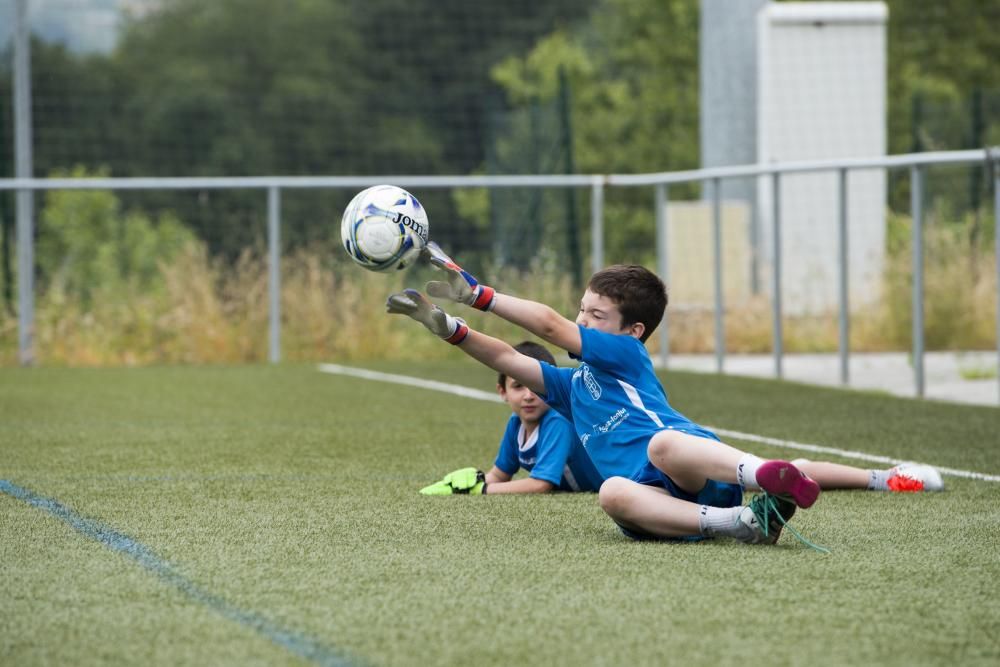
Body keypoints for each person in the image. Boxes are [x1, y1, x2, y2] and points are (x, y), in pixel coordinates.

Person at [419, 341, 604, 496]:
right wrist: (471, 480)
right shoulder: (516, 423)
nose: (529, 395)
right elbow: (500, 475)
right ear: (503, 391)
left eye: (535, 385)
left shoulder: (558, 420)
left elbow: (540, 484)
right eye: (518, 386)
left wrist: (482, 489)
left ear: (551, 387)